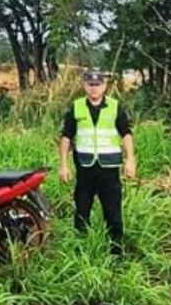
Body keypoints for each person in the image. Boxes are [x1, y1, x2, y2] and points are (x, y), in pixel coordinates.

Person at [58, 69, 137, 255]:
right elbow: (66, 137)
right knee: (81, 211)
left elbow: (126, 133)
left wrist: (130, 160)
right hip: (85, 169)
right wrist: (63, 165)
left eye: (98, 85)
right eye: (90, 85)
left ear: (104, 86)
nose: (94, 89)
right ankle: (80, 252)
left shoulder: (115, 107)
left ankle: (116, 254)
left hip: (109, 169)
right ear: (85, 86)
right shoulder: (76, 107)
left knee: (113, 213)